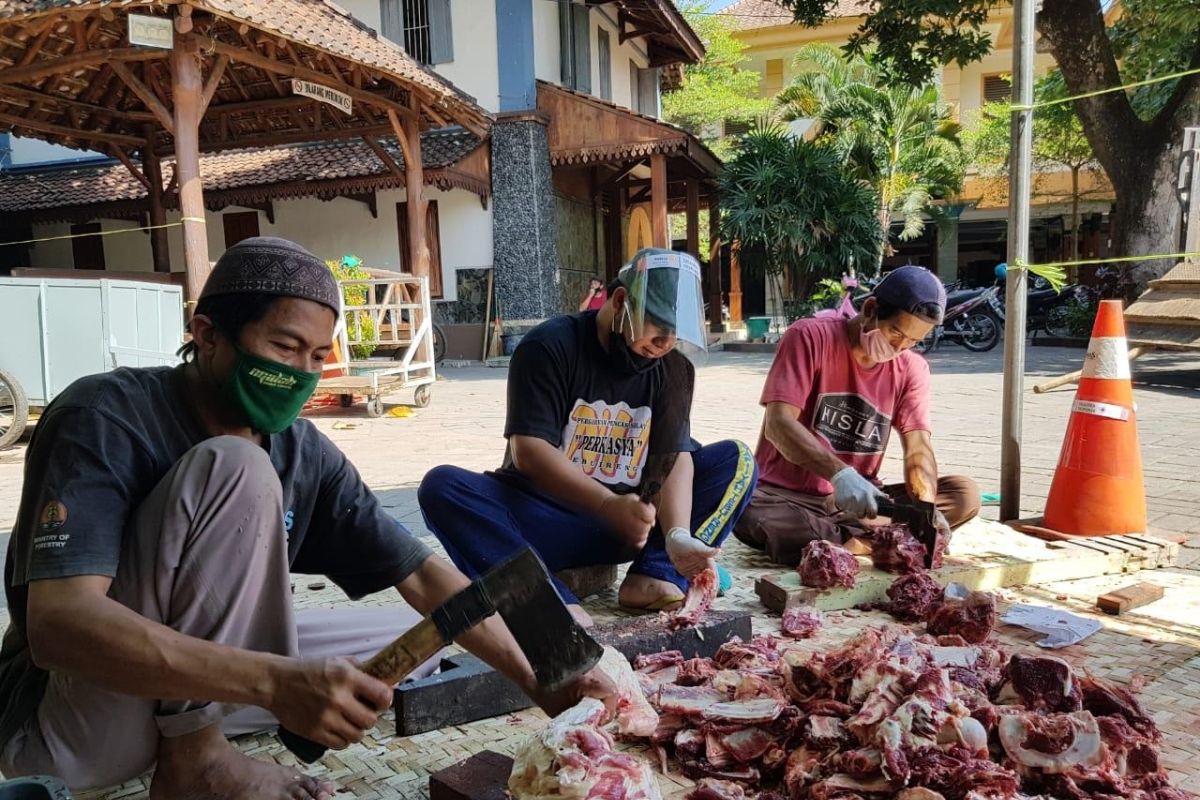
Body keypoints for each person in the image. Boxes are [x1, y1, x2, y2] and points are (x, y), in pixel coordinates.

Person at [0, 237, 612, 800]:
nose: (301, 371)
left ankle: (217, 717)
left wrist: (542, 680)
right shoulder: (105, 415)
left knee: (410, 646)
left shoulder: (300, 447)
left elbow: (426, 579)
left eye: (319, 354)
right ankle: (198, 759)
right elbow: (57, 626)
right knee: (234, 468)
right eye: (284, 346)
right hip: (78, 725)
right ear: (207, 334)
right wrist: (275, 683)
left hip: (184, 685)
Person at [420, 249, 757, 624]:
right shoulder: (549, 347)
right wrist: (605, 505)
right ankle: (548, 601)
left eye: (676, 334)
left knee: (736, 461)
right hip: (542, 518)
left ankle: (656, 573)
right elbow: (528, 450)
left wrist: (676, 533)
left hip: (629, 527)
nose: (665, 343)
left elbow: (672, 454)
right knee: (442, 488)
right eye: (658, 326)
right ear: (619, 301)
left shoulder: (673, 367)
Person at [733, 265, 980, 566]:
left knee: (963, 493)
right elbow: (778, 423)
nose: (899, 348)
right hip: (786, 497)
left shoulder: (912, 369)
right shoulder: (810, 337)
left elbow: (918, 448)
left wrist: (924, 513)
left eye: (913, 342)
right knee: (747, 511)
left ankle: (851, 541)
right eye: (895, 333)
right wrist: (840, 474)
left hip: (864, 503)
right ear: (871, 308)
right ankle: (875, 541)